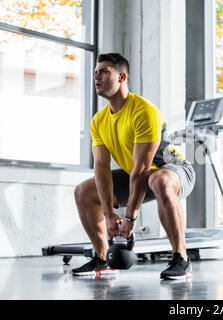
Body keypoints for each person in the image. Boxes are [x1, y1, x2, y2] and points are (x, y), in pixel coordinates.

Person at [71, 53, 195, 280]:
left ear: (122, 77)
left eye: (104, 71)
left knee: (159, 180)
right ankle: (102, 258)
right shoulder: (99, 121)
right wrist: (108, 213)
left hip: (174, 171)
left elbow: (142, 169)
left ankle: (181, 259)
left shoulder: (143, 111)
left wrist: (129, 219)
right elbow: (101, 167)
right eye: (95, 72)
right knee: (83, 191)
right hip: (139, 176)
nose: (96, 76)